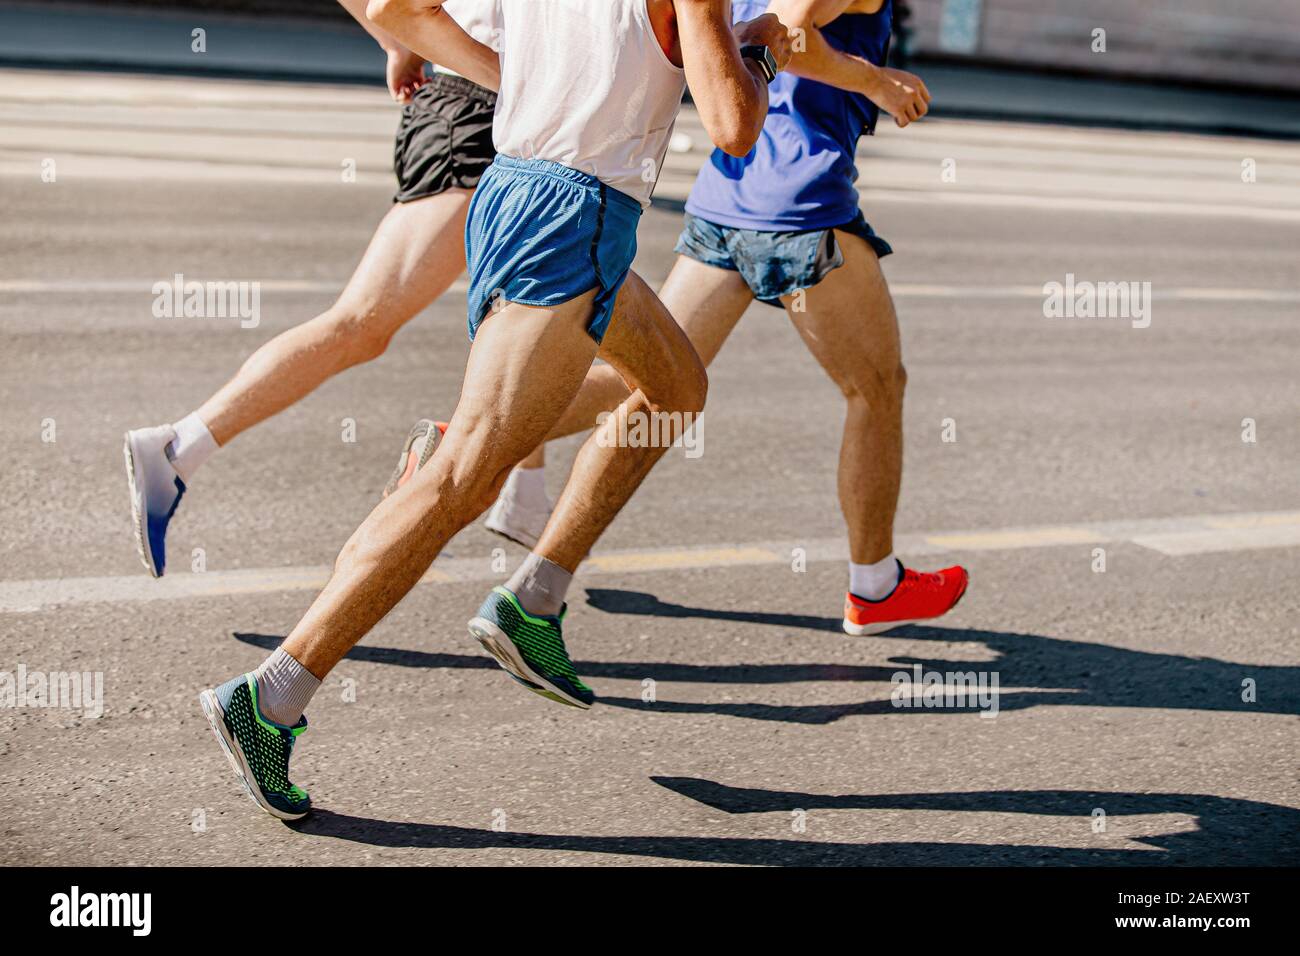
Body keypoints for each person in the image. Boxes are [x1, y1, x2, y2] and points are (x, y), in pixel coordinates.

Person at [198, 0, 793, 820]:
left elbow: (397, 8)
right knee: (458, 485)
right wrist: (759, 54)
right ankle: (269, 696)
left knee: (675, 388)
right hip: (576, 215)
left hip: (515, 189)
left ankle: (533, 597)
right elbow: (731, 123)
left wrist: (532, 83)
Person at [408, 0, 967, 640]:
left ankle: (509, 537)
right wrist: (876, 80)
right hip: (801, 204)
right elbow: (790, 25)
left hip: (727, 195)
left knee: (650, 387)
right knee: (876, 387)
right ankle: (875, 584)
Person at [121, 0, 511, 577]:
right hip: (480, 115)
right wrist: (404, 38)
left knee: (530, 314)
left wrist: (398, 42)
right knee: (362, 323)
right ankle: (178, 448)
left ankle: (517, 509)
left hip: (473, 111)